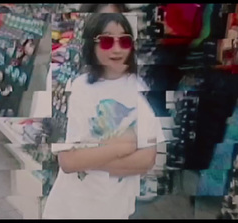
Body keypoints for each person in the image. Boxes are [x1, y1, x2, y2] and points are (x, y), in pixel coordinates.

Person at [42, 13, 165, 219]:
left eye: (124, 41)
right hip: (70, 208)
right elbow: (68, 161)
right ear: (92, 44)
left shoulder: (140, 90)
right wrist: (122, 148)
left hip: (114, 209)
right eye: (107, 41)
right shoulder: (76, 88)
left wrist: (89, 155)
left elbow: (146, 159)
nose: (117, 49)